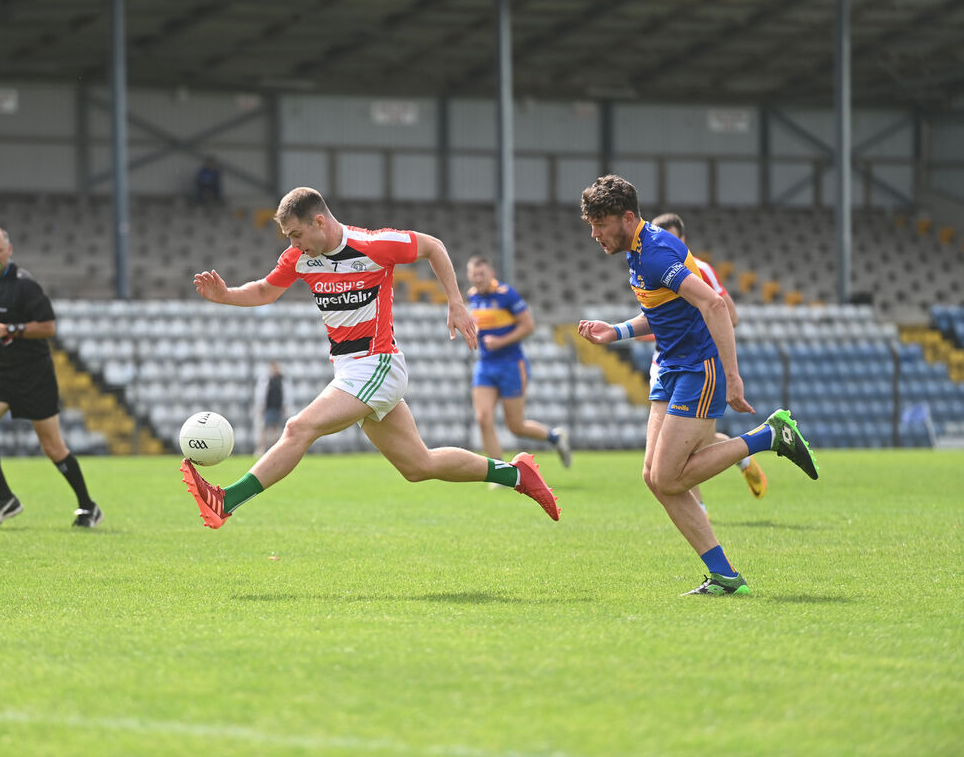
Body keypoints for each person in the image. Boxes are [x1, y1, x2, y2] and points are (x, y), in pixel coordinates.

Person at [181, 186, 560, 529]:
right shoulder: (300, 258)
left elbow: (433, 246)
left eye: (296, 234)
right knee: (418, 465)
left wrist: (456, 303)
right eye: (289, 238)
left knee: (298, 427)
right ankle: (517, 474)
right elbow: (265, 290)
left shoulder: (374, 245)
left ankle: (226, 500)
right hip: (350, 370)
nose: (294, 244)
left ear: (319, 221)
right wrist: (226, 295)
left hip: (378, 364)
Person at [577, 175, 818, 596]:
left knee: (669, 478)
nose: (594, 234)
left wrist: (733, 377)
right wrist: (616, 331)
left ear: (627, 218)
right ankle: (725, 576)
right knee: (654, 477)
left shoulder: (655, 253)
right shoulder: (638, 252)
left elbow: (714, 303)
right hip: (672, 367)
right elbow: (662, 312)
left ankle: (768, 436)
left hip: (697, 368)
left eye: (600, 224)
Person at [0, 226, 103, 529]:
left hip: (34, 375)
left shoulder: (25, 285)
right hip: (0, 374)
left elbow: (48, 327)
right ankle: (5, 498)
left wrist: (8, 330)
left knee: (52, 447)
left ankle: (88, 506)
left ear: (9, 251)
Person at [649, 213, 767, 510]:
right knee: (670, 452)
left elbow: (729, 314)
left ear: (683, 240)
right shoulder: (650, 266)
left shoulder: (699, 270)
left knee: (682, 450)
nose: (665, 245)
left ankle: (703, 507)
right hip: (662, 365)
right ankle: (742, 457)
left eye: (672, 239)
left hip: (696, 365)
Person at [465, 255, 571, 468]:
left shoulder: (506, 294)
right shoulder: (473, 296)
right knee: (483, 419)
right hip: (485, 365)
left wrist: (500, 341)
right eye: (474, 275)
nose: (478, 278)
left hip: (511, 364)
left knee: (515, 426)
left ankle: (555, 438)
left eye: (481, 274)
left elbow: (528, 326)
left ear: (491, 273)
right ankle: (498, 471)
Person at [254, 361, 290, 456]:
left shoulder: (282, 380)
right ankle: (261, 448)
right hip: (268, 408)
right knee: (264, 428)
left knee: (276, 429)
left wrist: (285, 406)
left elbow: (286, 395)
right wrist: (261, 407)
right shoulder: (266, 379)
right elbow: (261, 394)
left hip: (277, 408)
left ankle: (275, 450)